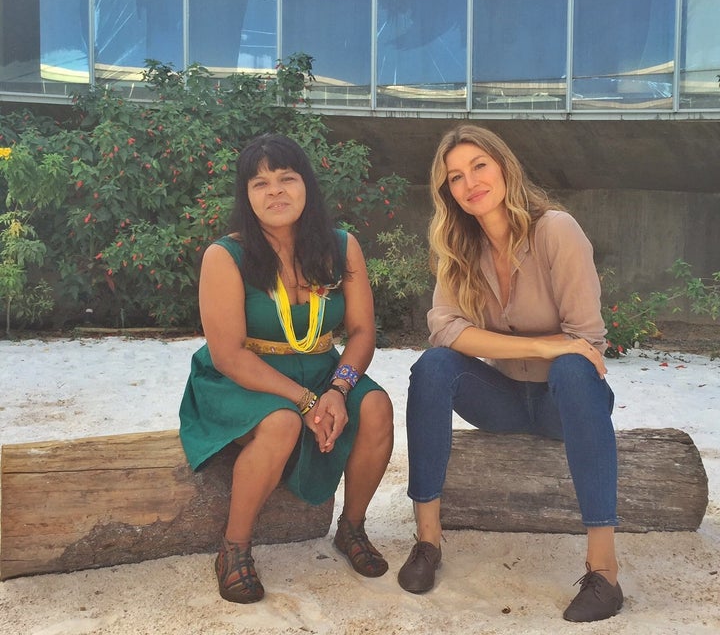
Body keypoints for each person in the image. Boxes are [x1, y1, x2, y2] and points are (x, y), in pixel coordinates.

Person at [397, 124, 622, 623]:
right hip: (501, 401)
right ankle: (428, 543)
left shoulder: (555, 230)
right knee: (433, 367)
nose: (470, 182)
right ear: (448, 191)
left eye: (479, 166)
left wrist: (556, 349)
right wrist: (540, 343)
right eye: (455, 177)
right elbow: (446, 329)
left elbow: (584, 342)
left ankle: (604, 572)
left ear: (504, 167)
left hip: (566, 401)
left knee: (569, 366)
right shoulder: (458, 247)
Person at [179, 133, 393, 604]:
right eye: (260, 183)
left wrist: (337, 389)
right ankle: (233, 548)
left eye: (286, 178)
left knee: (375, 405)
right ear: (247, 196)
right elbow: (229, 354)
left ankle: (352, 528)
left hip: (322, 370)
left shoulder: (341, 246)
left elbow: (361, 333)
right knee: (279, 424)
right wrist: (303, 401)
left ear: (306, 186)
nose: (275, 191)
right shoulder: (226, 255)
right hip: (242, 377)